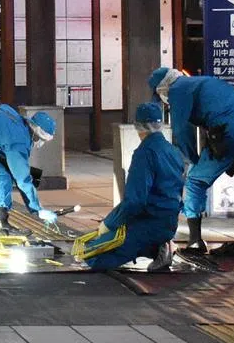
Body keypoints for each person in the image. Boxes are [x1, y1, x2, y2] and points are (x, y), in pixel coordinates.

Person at [148, 67, 234, 253]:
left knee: (195, 181)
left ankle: (195, 242)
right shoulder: (202, 82)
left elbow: (181, 130)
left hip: (232, 133)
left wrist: (193, 159)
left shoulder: (177, 89)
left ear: (162, 88)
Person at [77, 102, 184, 271]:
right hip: (169, 223)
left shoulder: (144, 153)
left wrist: (110, 223)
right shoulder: (173, 151)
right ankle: (162, 244)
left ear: (138, 126)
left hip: (148, 223)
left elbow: (135, 201)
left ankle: (156, 247)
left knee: (93, 255)